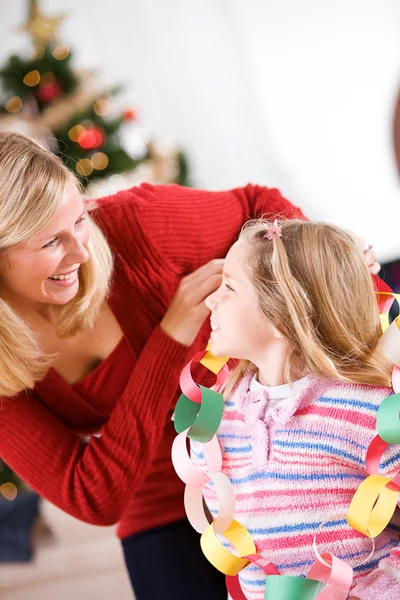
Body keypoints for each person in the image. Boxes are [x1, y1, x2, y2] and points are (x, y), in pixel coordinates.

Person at [0, 131, 311, 600]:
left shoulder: (131, 226)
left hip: (259, 442)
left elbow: (259, 206)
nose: (83, 253)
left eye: (80, 220)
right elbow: (91, 494)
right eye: (50, 242)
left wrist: (332, 283)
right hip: (160, 493)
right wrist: (171, 336)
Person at [191, 218, 399, 600]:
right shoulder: (220, 422)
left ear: (281, 316)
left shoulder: (368, 413)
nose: (211, 299)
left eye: (230, 287)